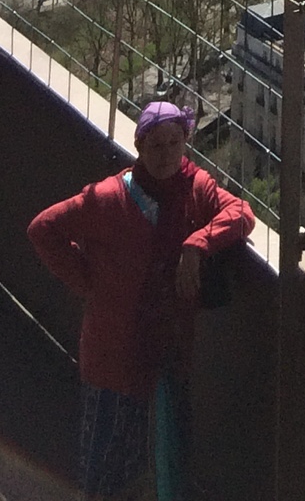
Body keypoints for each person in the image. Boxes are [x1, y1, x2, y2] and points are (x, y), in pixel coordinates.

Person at [27, 97, 254, 501]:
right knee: (103, 463)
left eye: (174, 143)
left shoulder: (196, 188)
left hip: (165, 353)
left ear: (185, 143)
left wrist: (197, 242)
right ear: (139, 149)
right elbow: (44, 229)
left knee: (156, 462)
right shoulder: (109, 198)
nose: (166, 154)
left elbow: (240, 214)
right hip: (113, 355)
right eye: (156, 146)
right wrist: (90, 282)